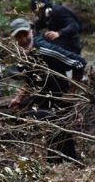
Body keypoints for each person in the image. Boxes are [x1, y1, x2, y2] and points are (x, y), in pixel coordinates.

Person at [8, 18, 86, 163]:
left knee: (61, 136)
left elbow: (79, 63)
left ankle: (69, 168)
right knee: (51, 137)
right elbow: (29, 77)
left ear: (31, 32)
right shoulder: (20, 55)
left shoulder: (46, 49)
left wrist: (71, 92)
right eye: (18, 36)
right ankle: (58, 169)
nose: (23, 39)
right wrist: (19, 97)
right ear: (13, 38)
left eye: (25, 34)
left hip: (59, 97)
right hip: (42, 97)